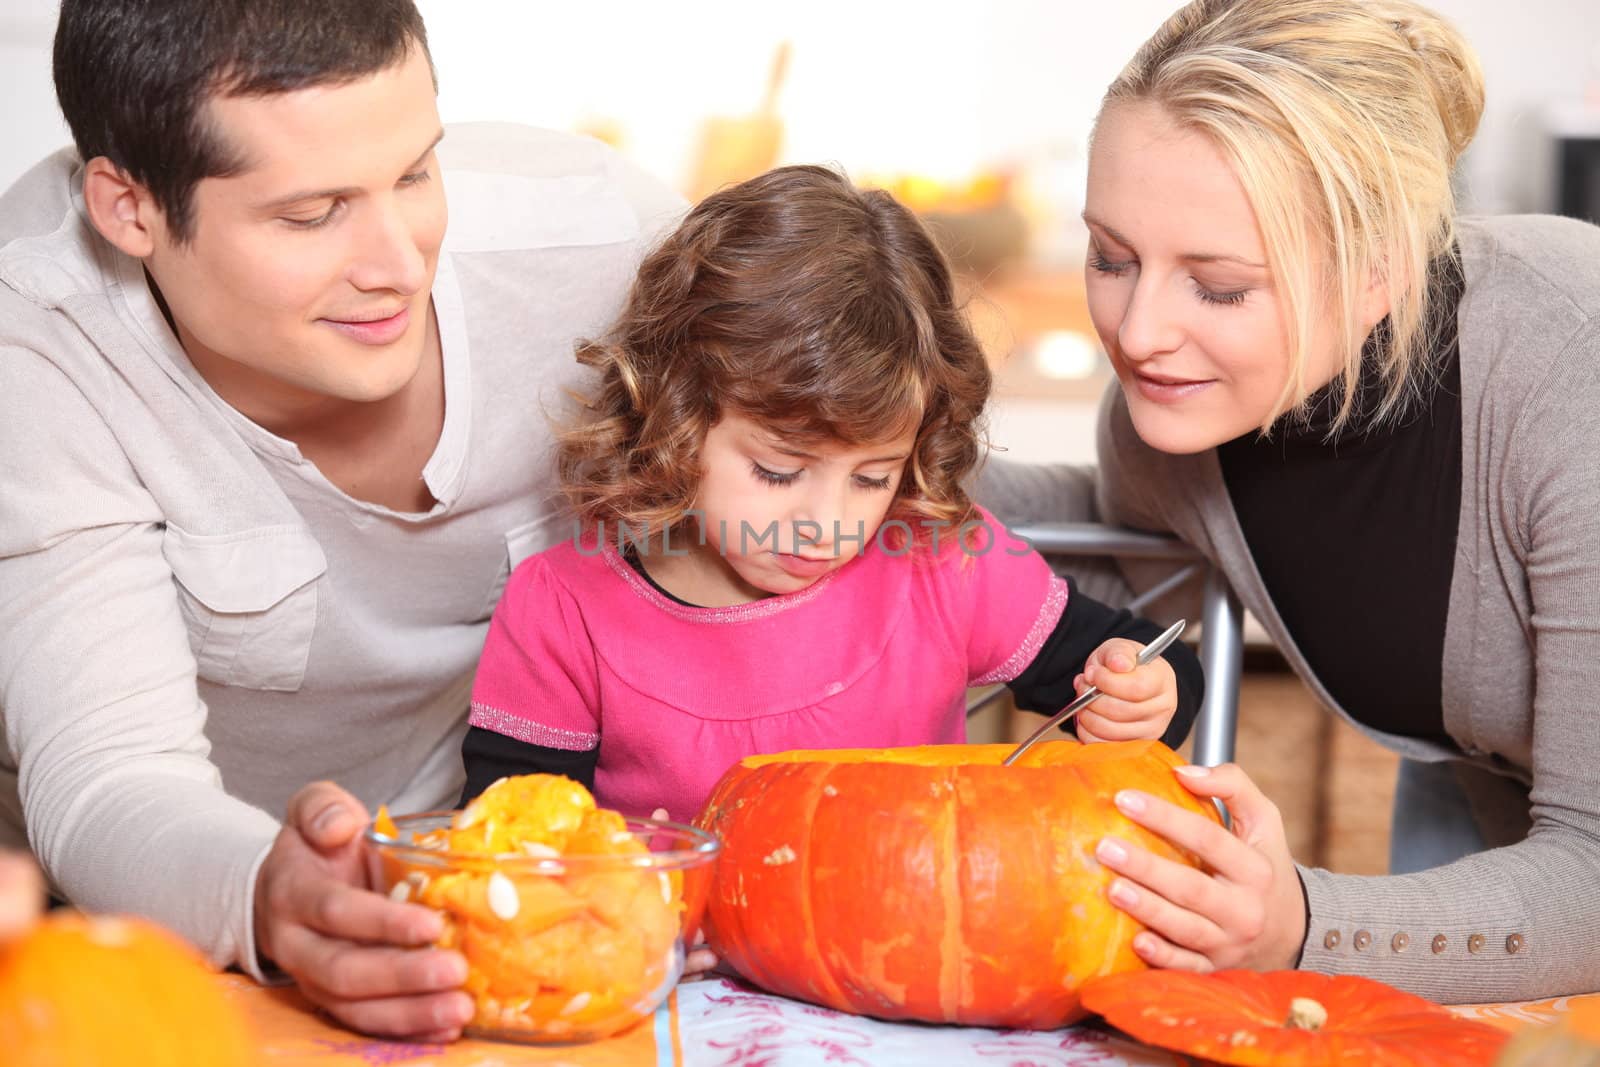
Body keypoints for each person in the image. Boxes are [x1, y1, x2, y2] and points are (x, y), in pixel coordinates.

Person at [0, 0, 681, 1041]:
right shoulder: (36, 336)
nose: (400, 265)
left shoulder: (611, 243)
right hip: (144, 943)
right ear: (128, 208)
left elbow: (864, 467)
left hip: (523, 924)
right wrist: (272, 895)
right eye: (312, 213)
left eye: (413, 173)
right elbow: (110, 776)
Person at [1060, 0, 1600, 1003]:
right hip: (1493, 811)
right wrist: (829, 449)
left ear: (1374, 277)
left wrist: (1305, 921)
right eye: (1111, 256)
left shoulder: (1574, 362)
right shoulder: (1168, 426)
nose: (1136, 333)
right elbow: (1104, 541)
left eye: (1216, 286)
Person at [458, 165, 1206, 822]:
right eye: (779, 471)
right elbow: (517, 848)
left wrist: (1143, 693)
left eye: (872, 478)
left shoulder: (942, 561)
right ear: (675, 414)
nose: (825, 523)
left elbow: (1145, 664)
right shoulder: (563, 610)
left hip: (907, 960)